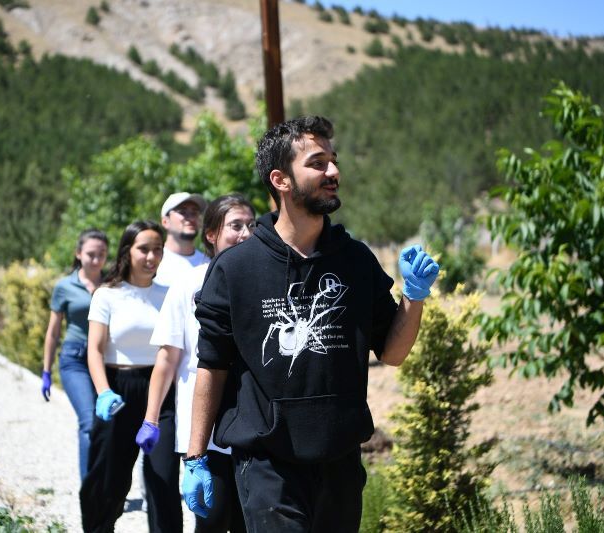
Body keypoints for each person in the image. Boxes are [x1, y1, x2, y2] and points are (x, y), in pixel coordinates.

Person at [182, 116, 440, 532]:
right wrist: (195, 458)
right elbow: (212, 365)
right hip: (268, 466)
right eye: (318, 163)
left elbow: (392, 353)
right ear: (281, 179)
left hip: (340, 462)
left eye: (333, 161)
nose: (334, 172)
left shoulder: (355, 260)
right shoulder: (236, 268)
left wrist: (414, 296)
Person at [137, 194, 256, 533]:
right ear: (212, 234)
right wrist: (152, 419)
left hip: (256, 428)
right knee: (213, 523)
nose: (246, 233)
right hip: (207, 433)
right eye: (236, 226)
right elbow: (167, 359)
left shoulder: (266, 283)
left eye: (252, 225)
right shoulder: (189, 285)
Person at [80, 220, 182, 533]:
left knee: (163, 481)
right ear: (128, 251)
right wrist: (103, 392)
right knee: (108, 482)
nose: (151, 256)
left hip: (160, 394)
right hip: (118, 391)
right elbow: (95, 350)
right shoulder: (107, 295)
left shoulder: (169, 295)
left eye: (157, 249)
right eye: (144, 249)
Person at [41, 229, 109, 480]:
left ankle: (106, 482)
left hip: (105, 360)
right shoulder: (64, 287)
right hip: (75, 360)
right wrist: (46, 371)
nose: (96, 260)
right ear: (78, 254)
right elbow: (53, 332)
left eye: (102, 254)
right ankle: (89, 487)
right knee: (89, 421)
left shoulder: (112, 283)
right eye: (91, 254)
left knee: (107, 423)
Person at [154, 192, 209, 288]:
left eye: (194, 213)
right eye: (182, 212)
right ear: (165, 221)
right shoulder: (153, 261)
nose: (191, 218)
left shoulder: (208, 263)